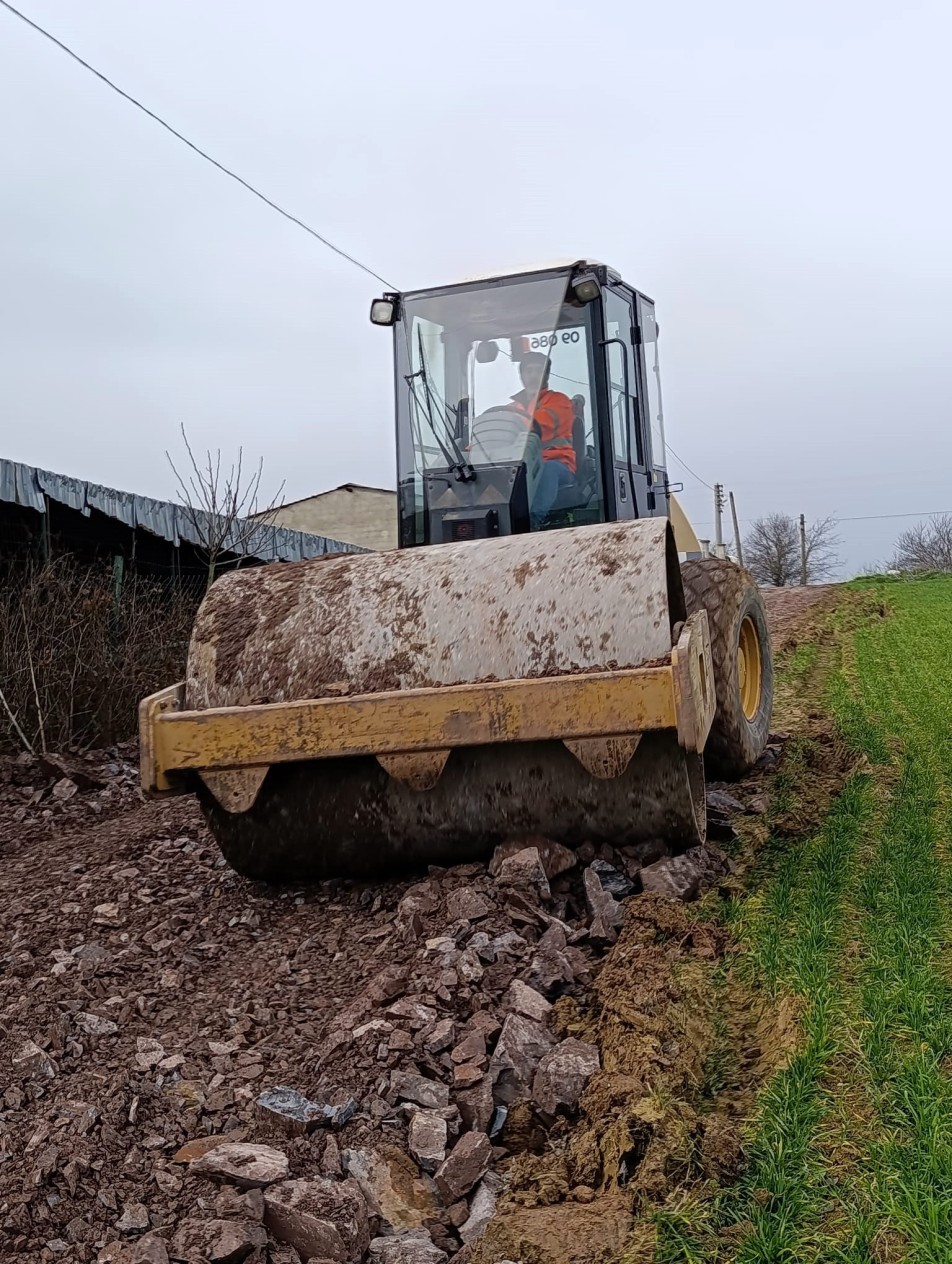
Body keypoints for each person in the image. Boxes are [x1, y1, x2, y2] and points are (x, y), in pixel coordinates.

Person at [509, 352, 575, 527]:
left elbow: (541, 424)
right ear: (521, 375)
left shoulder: (560, 401)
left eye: (538, 371)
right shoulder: (512, 407)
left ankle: (531, 523)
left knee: (548, 470)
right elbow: (497, 430)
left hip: (557, 463)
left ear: (546, 375)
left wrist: (510, 425)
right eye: (528, 371)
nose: (532, 376)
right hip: (523, 466)